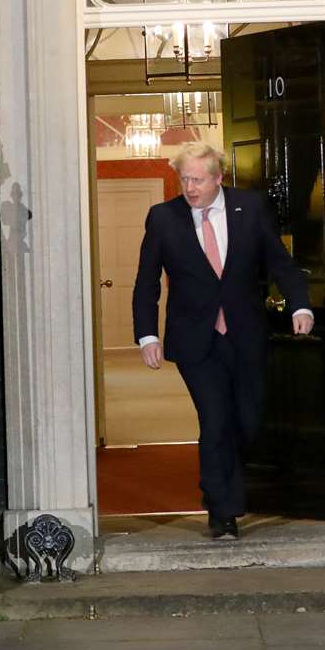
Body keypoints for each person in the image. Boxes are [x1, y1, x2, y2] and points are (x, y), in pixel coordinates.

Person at [132, 143, 313, 539]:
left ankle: (225, 487)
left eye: (198, 179)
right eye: (184, 179)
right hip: (195, 338)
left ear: (218, 178)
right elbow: (146, 281)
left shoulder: (249, 208)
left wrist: (301, 306)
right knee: (215, 419)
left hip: (246, 333)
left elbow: (280, 262)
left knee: (246, 419)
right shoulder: (163, 218)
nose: (190, 187)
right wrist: (147, 334)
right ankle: (222, 509)